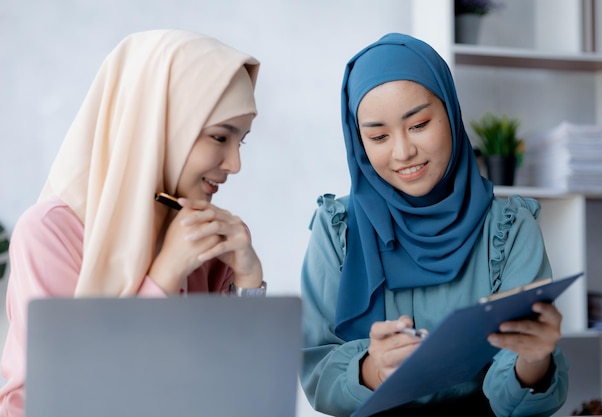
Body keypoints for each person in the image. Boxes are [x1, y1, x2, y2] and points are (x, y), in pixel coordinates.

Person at [300, 33, 568, 417]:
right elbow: (317, 375)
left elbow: (517, 399)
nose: (403, 151)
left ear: (451, 113)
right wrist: (374, 369)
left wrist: (535, 359)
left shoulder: (509, 229)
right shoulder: (337, 229)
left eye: (420, 124)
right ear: (359, 143)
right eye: (377, 136)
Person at [0, 29, 266, 416]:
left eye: (241, 141)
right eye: (220, 137)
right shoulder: (51, 233)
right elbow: (38, 401)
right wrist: (165, 275)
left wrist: (249, 281)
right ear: (160, 125)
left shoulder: (212, 240)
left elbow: (248, 393)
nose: (234, 165)